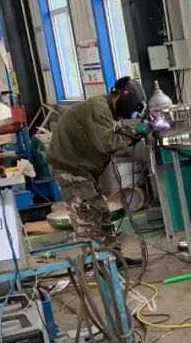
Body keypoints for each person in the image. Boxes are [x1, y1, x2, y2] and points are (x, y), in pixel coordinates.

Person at [48, 77, 147, 264]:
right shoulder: (99, 108)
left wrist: (132, 132)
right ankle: (96, 263)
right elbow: (106, 143)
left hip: (83, 168)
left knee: (101, 212)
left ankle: (114, 259)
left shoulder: (108, 111)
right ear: (123, 97)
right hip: (70, 168)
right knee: (87, 216)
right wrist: (134, 134)